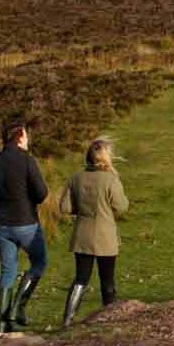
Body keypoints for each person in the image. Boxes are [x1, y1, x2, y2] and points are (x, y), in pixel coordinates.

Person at [0, 122, 50, 336]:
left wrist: (0, 197)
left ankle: (2, 324)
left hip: (2, 224)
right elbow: (42, 193)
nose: (28, 139)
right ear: (19, 137)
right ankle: (18, 307)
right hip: (26, 223)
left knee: (8, 271)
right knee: (40, 262)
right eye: (25, 135)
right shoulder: (27, 161)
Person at [56, 135, 129, 329]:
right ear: (106, 156)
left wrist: (80, 208)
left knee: (81, 278)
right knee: (107, 280)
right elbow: (122, 206)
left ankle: (67, 319)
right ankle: (110, 319)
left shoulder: (76, 177)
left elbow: (64, 207)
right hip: (105, 236)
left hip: (82, 234)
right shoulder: (110, 179)